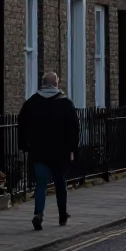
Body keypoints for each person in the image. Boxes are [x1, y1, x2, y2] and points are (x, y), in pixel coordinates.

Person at [17, 70, 80, 231]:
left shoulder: (31, 102)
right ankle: (62, 215)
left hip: (39, 151)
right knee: (60, 184)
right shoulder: (66, 103)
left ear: (43, 83)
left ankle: (38, 214)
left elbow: (22, 123)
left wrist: (25, 145)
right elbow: (74, 128)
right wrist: (72, 148)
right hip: (61, 152)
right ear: (56, 83)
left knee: (40, 184)